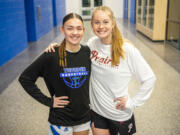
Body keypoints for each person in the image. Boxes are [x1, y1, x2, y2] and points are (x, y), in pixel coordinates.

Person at [45, 6, 156, 135]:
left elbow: (149, 79)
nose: (101, 26)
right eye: (97, 22)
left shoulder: (126, 50)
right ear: (92, 25)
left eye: (105, 22)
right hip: (97, 113)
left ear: (113, 23)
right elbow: (75, 51)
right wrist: (58, 48)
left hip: (119, 114)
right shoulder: (92, 44)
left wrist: (133, 103)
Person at [19, 13, 92, 135]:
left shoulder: (87, 52)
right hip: (60, 119)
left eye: (79, 28)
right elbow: (25, 78)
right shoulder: (51, 55)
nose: (75, 32)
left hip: (83, 116)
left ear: (83, 30)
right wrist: (48, 101)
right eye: (70, 28)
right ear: (62, 30)